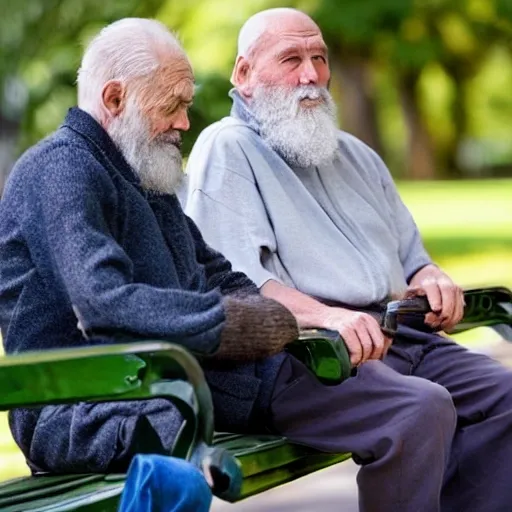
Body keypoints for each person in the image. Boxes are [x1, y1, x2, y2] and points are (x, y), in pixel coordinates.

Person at [183, 8, 512, 511]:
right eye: (291, 58)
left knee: (505, 396)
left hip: (406, 334)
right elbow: (239, 283)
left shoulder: (357, 154)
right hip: (318, 353)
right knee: (418, 411)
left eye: (319, 57)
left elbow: (411, 259)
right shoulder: (227, 148)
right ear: (244, 75)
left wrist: (432, 278)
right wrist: (329, 316)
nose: (311, 74)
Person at [0, 18, 299, 476]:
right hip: (72, 410)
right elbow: (104, 304)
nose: (184, 121)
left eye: (186, 105)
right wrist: (236, 324)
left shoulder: (143, 169)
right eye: (172, 105)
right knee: (182, 433)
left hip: (150, 385)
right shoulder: (59, 168)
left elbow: (216, 275)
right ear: (115, 99)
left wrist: (262, 313)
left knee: (270, 388)